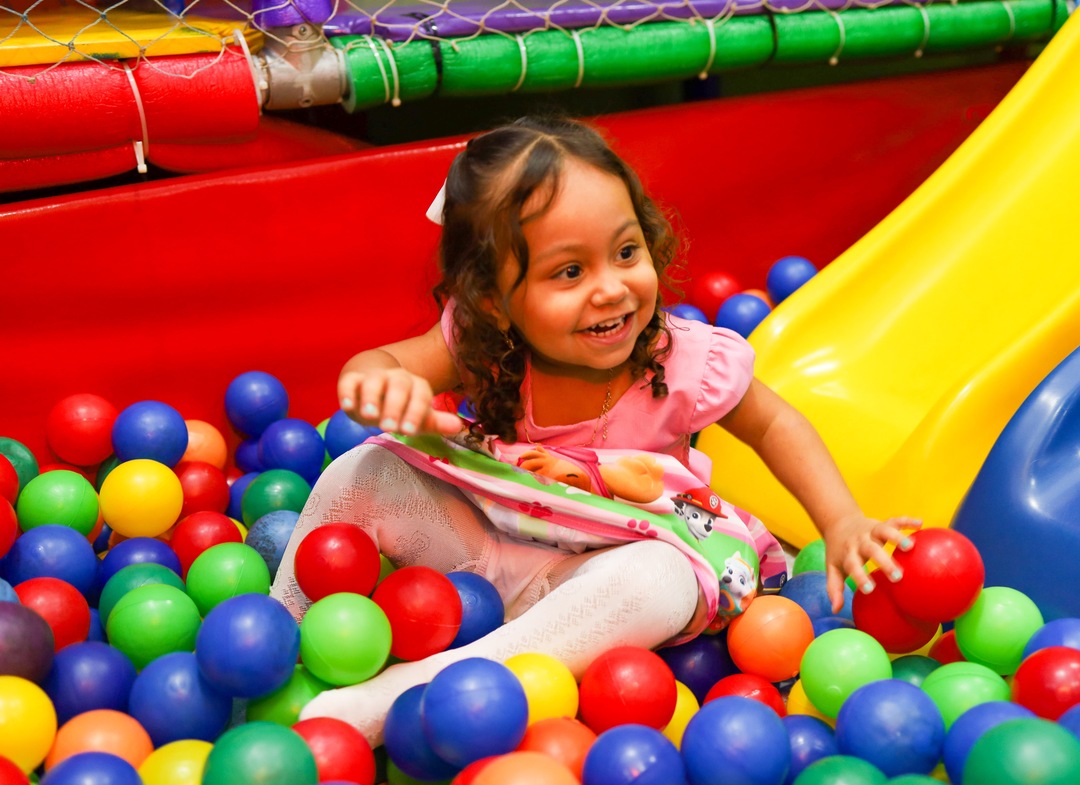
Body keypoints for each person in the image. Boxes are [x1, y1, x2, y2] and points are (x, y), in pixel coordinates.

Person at [269, 115, 919, 746]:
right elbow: (381, 362)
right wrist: (380, 383)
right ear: (496, 300)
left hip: (610, 575)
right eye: (569, 272)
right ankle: (278, 649)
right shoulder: (485, 342)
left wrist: (841, 522)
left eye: (626, 252)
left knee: (657, 580)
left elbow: (774, 421)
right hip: (500, 543)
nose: (612, 289)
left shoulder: (684, 358)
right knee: (362, 469)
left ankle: (409, 692)